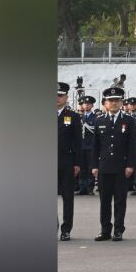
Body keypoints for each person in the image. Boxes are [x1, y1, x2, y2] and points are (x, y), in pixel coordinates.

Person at [91, 87, 136, 242]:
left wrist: (130, 165)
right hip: (104, 167)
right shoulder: (99, 121)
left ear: (122, 102)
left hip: (121, 167)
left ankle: (118, 229)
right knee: (104, 201)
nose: (114, 103)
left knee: (119, 200)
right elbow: (95, 146)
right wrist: (94, 166)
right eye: (111, 100)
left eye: (117, 100)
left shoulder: (129, 121)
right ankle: (105, 230)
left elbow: (133, 145)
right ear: (105, 103)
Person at [57, 83, 82, 241]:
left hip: (66, 162)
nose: (56, 98)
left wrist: (77, 163)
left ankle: (66, 229)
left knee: (67, 197)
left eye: (60, 95)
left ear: (66, 97)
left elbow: (78, 142)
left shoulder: (73, 116)